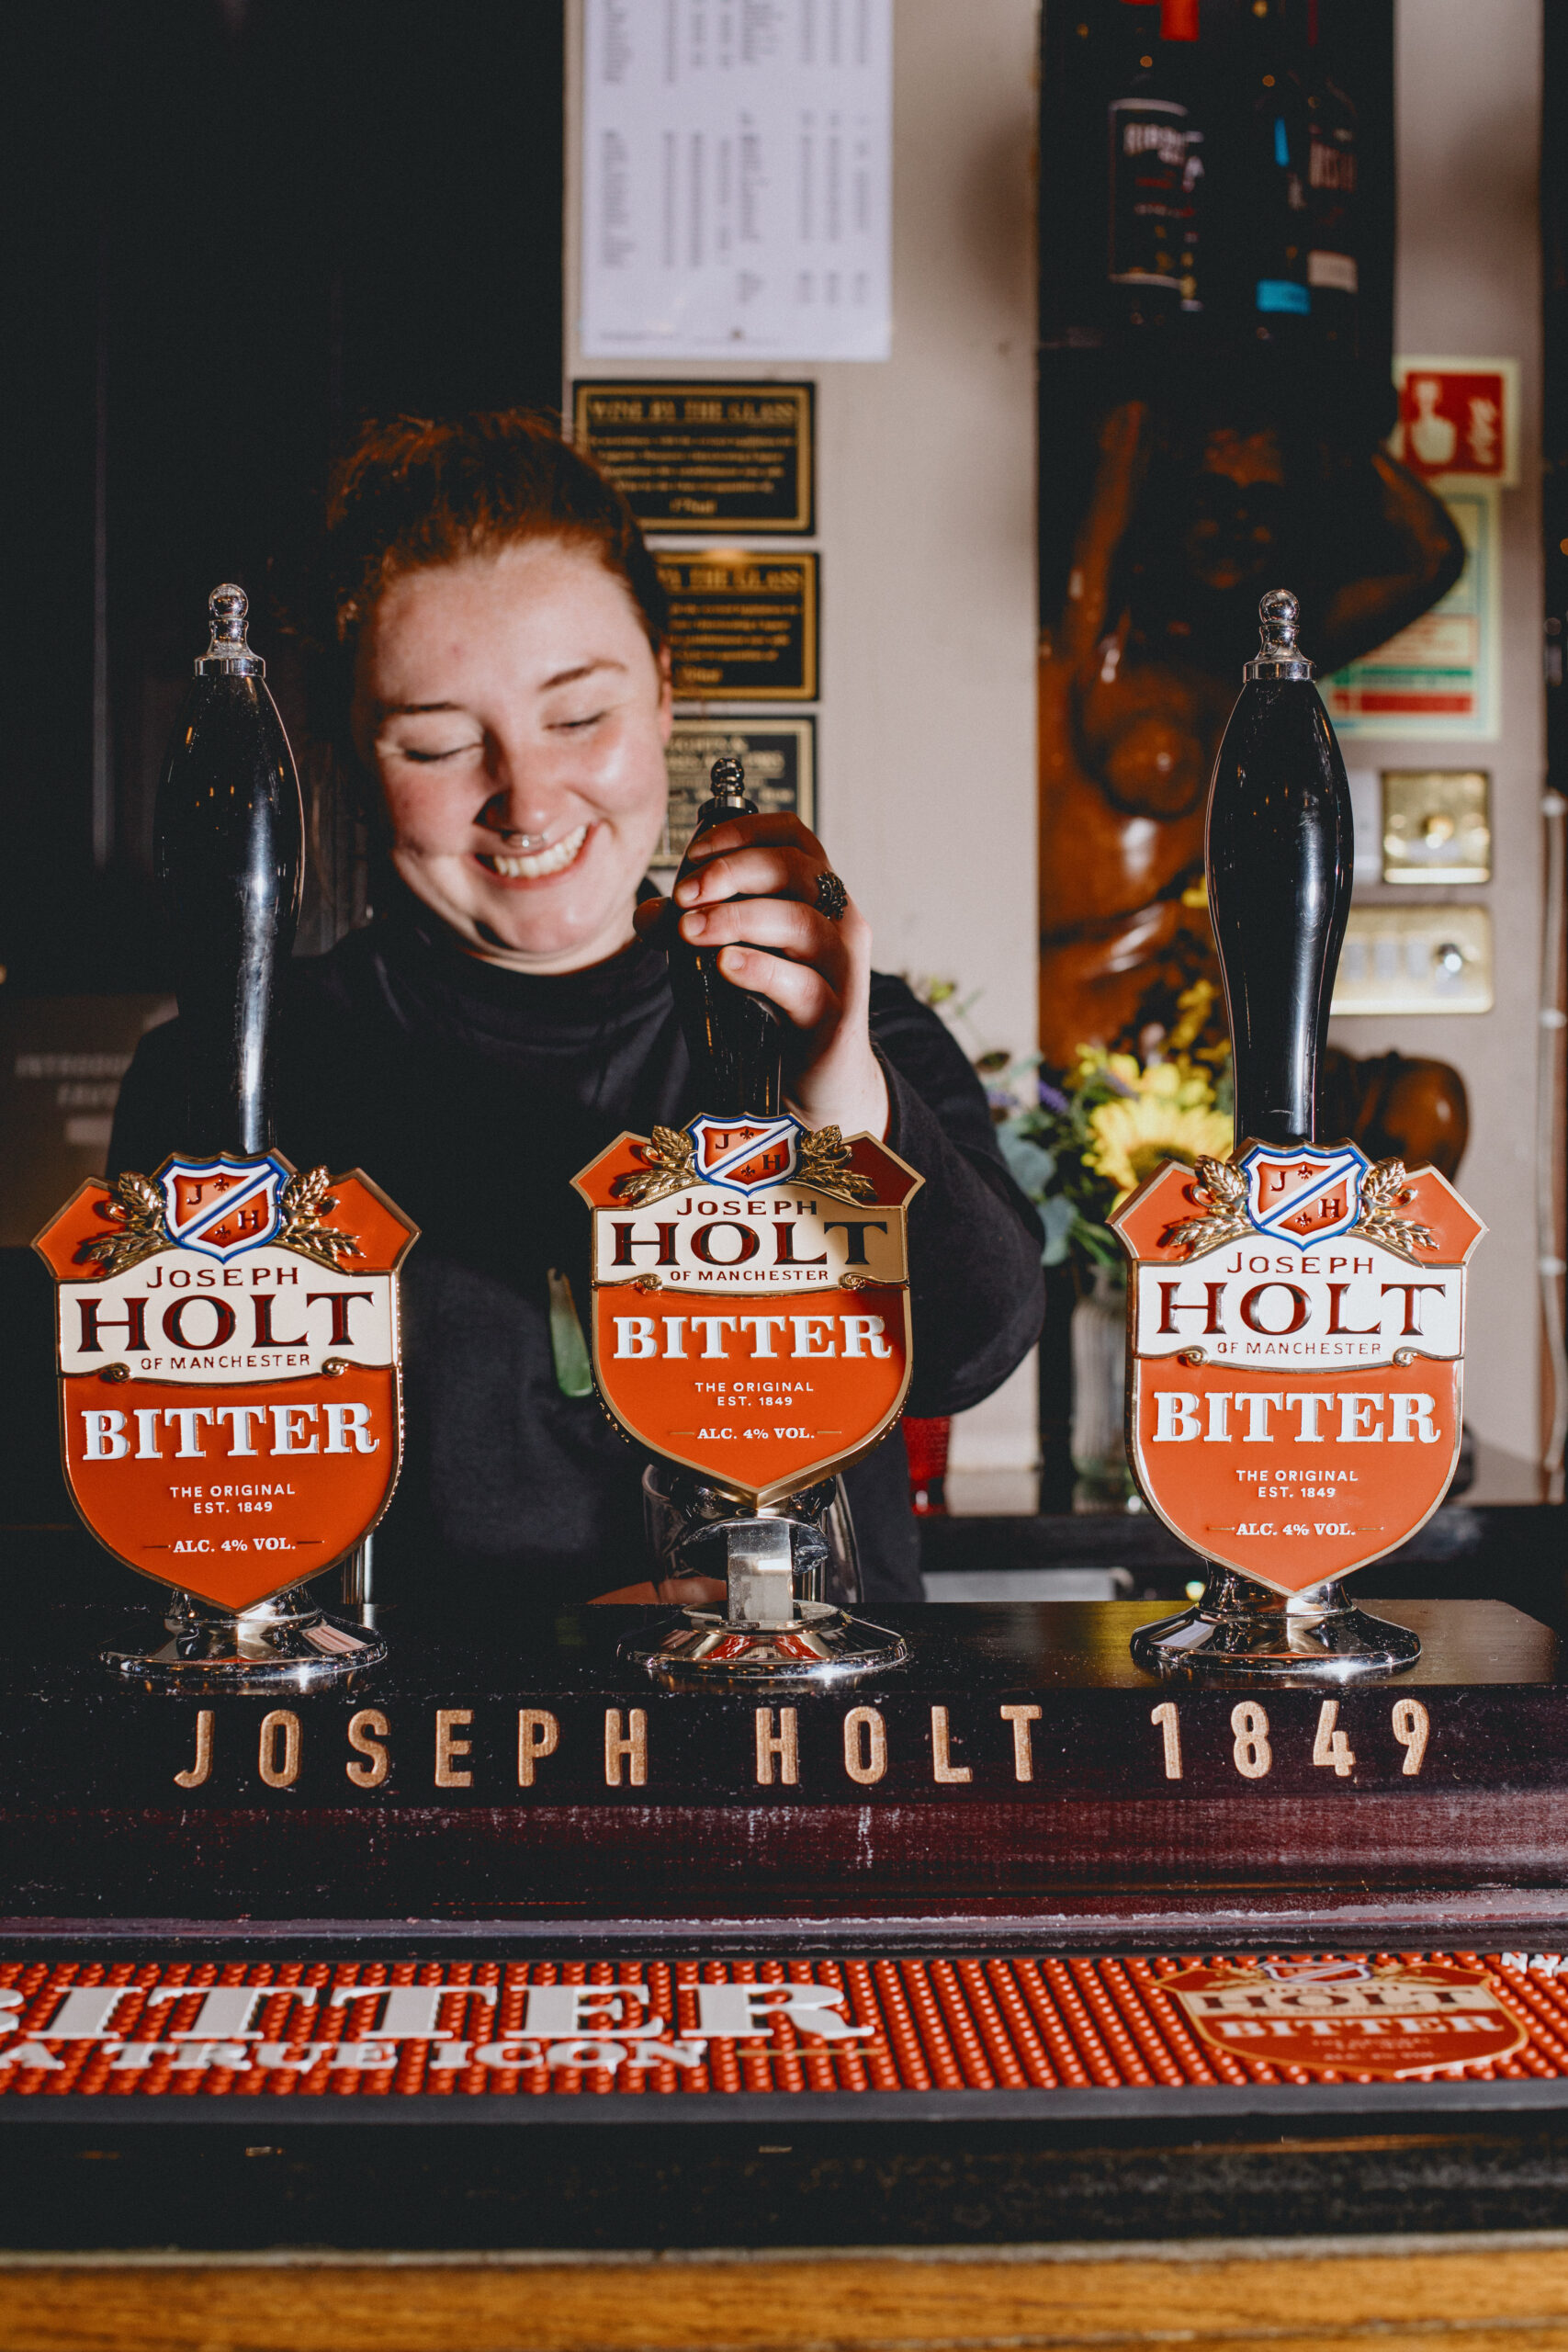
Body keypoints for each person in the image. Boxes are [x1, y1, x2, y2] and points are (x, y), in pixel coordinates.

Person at [111, 411, 1045, 1608]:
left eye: (576, 716)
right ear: (355, 755)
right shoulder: (230, 1077)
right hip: (435, 1775)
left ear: (665, 689)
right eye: (440, 744)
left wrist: (841, 1113)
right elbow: (193, 1519)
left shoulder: (841, 1030)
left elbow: (974, 1349)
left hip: (811, 1771)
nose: (526, 796)